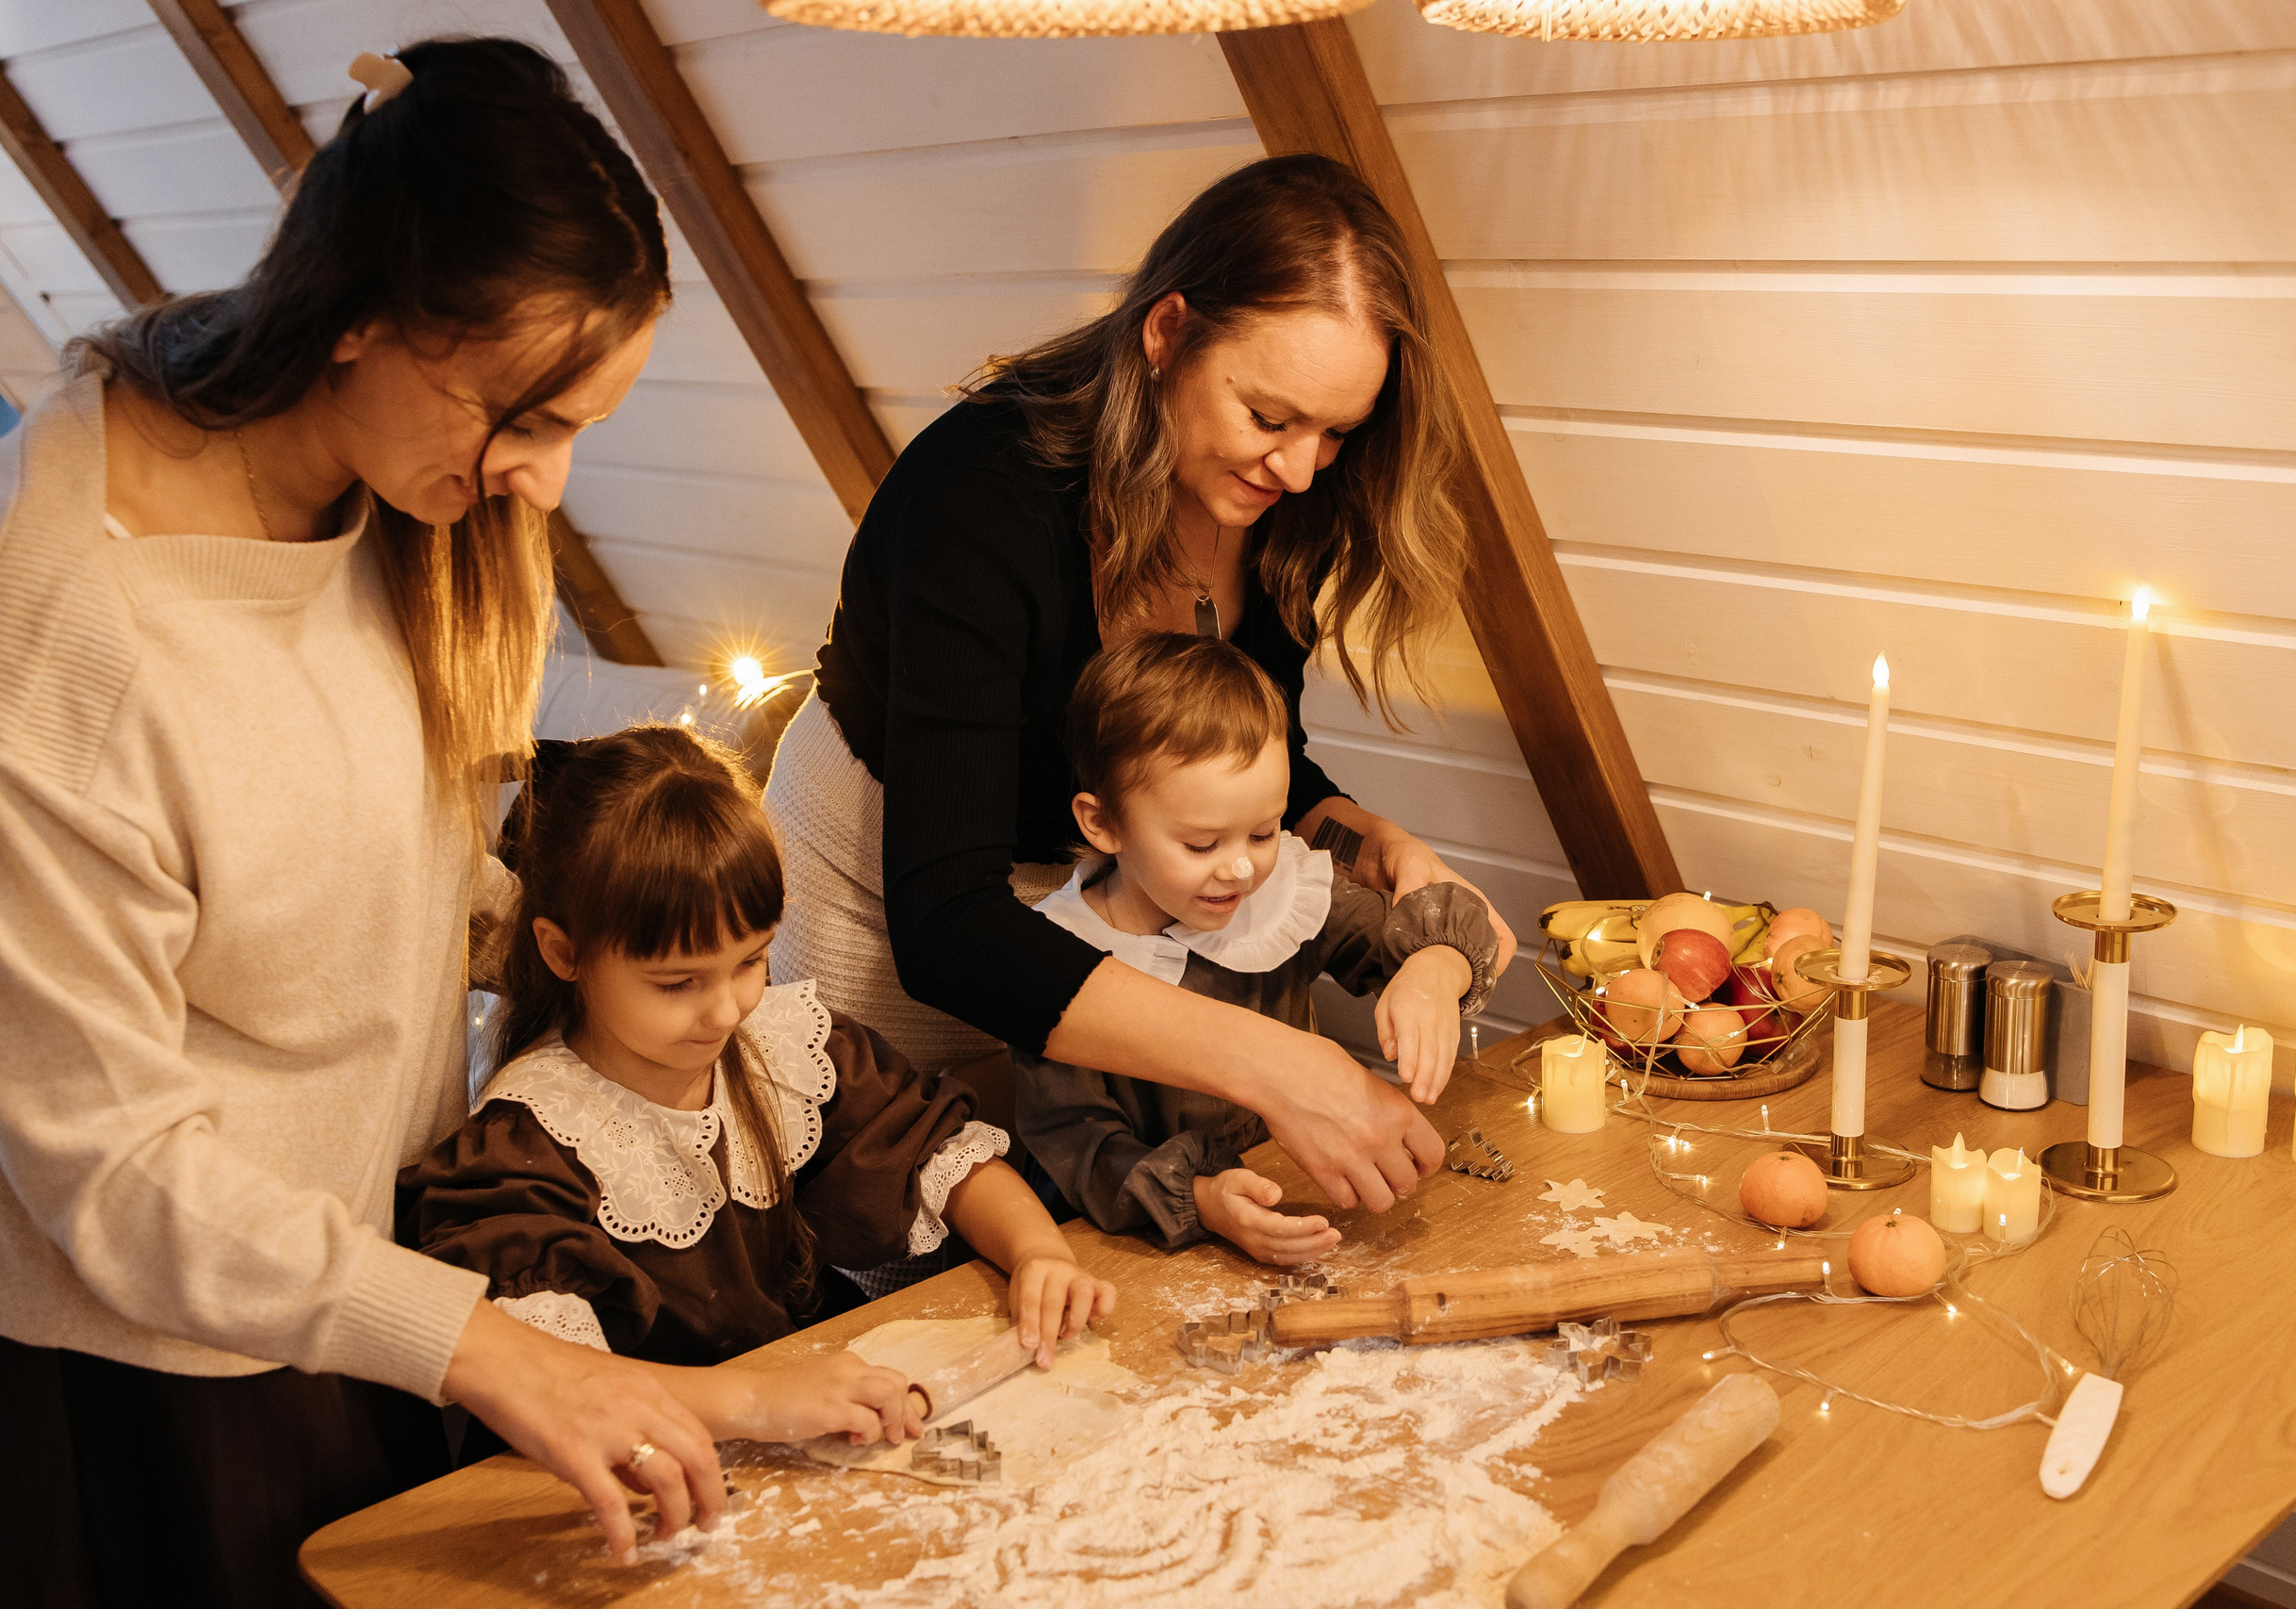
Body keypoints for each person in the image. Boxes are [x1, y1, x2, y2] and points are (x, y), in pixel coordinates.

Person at [0, 40, 723, 1605]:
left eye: (581, 425)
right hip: (158, 1357)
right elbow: (108, 1167)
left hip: (376, 1278)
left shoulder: (416, 517)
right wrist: (485, 1349)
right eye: (525, 417)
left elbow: (397, 873)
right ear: (363, 319)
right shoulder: (73, 620)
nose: (545, 482)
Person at [767, 154, 1516, 1222]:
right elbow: (949, 924)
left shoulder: (1277, 506)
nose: (1301, 471)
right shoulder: (977, 498)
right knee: (900, 1228)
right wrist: (1278, 1066)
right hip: (889, 905)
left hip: (1111, 892)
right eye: (1270, 416)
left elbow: (1235, 750)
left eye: (1337, 433)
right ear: (1165, 335)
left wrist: (1358, 834)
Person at [402, 726, 1114, 1432]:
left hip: (798, 1415)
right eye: (677, 982)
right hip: (648, 1455)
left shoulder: (782, 1050)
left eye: (750, 960)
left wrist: (1038, 1251)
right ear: (564, 952)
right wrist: (760, 1402)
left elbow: (933, 1148)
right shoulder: (524, 1148)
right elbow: (548, 1378)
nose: (725, 1010)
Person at [1015, 636, 1498, 1262]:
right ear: (1102, 822)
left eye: (1265, 830)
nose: (1241, 867)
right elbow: (1081, 1152)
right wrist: (1206, 1198)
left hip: (1300, 1197)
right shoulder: (1053, 957)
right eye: (1201, 844)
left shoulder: (1282, 894)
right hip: (1128, 1254)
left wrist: (1434, 968)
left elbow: (1441, 923)